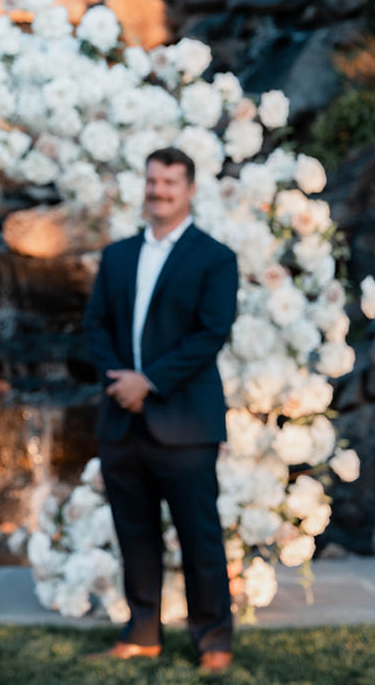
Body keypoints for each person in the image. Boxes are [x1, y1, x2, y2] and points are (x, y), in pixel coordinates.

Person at [82, 147, 238, 673]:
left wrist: (149, 382)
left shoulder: (215, 258)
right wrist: (121, 383)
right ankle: (143, 631)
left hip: (186, 422)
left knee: (200, 536)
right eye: (152, 181)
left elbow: (210, 333)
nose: (159, 191)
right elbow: (96, 326)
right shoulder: (118, 255)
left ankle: (213, 638)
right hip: (121, 421)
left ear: (190, 189)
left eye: (170, 182)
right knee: (135, 533)